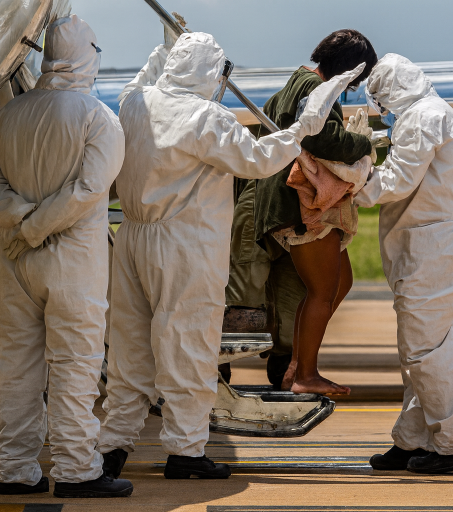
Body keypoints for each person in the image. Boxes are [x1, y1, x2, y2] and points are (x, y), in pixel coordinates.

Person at [97, 32, 367, 480]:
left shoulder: (135, 104)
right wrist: (304, 127)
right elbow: (259, 162)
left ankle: (111, 449)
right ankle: (185, 452)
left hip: (133, 238)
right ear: (210, 72)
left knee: (129, 349)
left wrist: (163, 47)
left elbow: (139, 81)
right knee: (189, 347)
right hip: (184, 245)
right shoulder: (205, 117)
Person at [0, 16, 133, 498]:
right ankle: (77, 469)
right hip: (73, 262)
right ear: (89, 54)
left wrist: (19, 221)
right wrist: (39, 226)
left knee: (16, 368)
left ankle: (15, 470)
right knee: (75, 366)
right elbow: (89, 189)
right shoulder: (98, 117)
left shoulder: (9, 114)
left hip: (15, 260)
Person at [354, 54, 453, 473]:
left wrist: (349, 179)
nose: (381, 111)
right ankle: (413, 441)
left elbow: (396, 181)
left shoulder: (422, 117)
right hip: (433, 245)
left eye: (379, 100)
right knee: (423, 350)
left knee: (425, 352)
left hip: (436, 247)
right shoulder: (432, 111)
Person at [248, 29, 377, 395]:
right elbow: (322, 138)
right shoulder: (314, 89)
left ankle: (297, 365)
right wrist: (367, 144)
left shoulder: (295, 84)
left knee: (341, 281)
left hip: (285, 202)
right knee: (322, 290)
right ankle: (305, 373)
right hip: (302, 204)